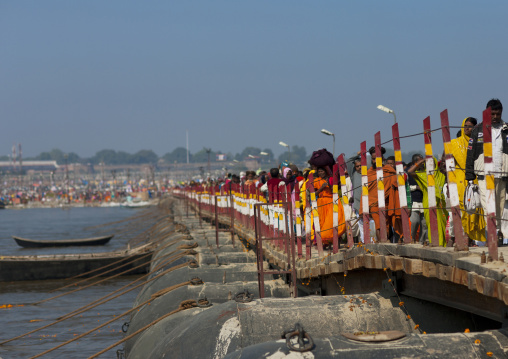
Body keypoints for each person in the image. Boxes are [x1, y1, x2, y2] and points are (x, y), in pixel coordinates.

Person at [465, 99, 507, 242]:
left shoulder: (506, 129)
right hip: (483, 175)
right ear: (487, 113)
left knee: (500, 205)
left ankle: (499, 232)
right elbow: (471, 153)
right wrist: (469, 175)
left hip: (502, 174)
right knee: (487, 206)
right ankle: (492, 235)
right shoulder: (478, 129)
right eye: (493, 114)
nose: (495, 117)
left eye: (498, 114)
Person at [450, 117, 486, 244]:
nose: (467, 128)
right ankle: (465, 237)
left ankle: (472, 240)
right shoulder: (454, 143)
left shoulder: (479, 142)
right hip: (460, 180)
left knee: (476, 209)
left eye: (470, 126)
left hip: (476, 178)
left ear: (475, 128)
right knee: (464, 209)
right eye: (465, 125)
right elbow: (448, 163)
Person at [408, 156, 448, 246]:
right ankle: (434, 243)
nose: (430, 166)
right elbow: (410, 171)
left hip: (441, 205)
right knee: (431, 225)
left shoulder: (441, 175)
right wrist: (421, 161)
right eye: (428, 164)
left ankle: (442, 244)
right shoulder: (423, 175)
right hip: (428, 204)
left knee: (442, 226)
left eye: (432, 164)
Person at [312, 166, 345, 245]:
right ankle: (324, 241)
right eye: (319, 171)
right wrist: (321, 188)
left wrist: (330, 185)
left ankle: (333, 240)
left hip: (331, 201)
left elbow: (335, 190)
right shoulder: (316, 181)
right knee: (322, 223)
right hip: (321, 203)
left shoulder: (331, 179)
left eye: (322, 171)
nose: (321, 173)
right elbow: (313, 194)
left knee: (331, 221)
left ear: (326, 172)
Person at [408, 154, 427, 244]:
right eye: (420, 162)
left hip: (424, 200)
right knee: (414, 222)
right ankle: (412, 238)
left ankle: (422, 241)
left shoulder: (424, 172)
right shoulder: (410, 173)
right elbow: (406, 187)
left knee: (424, 223)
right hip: (414, 201)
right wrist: (416, 187)